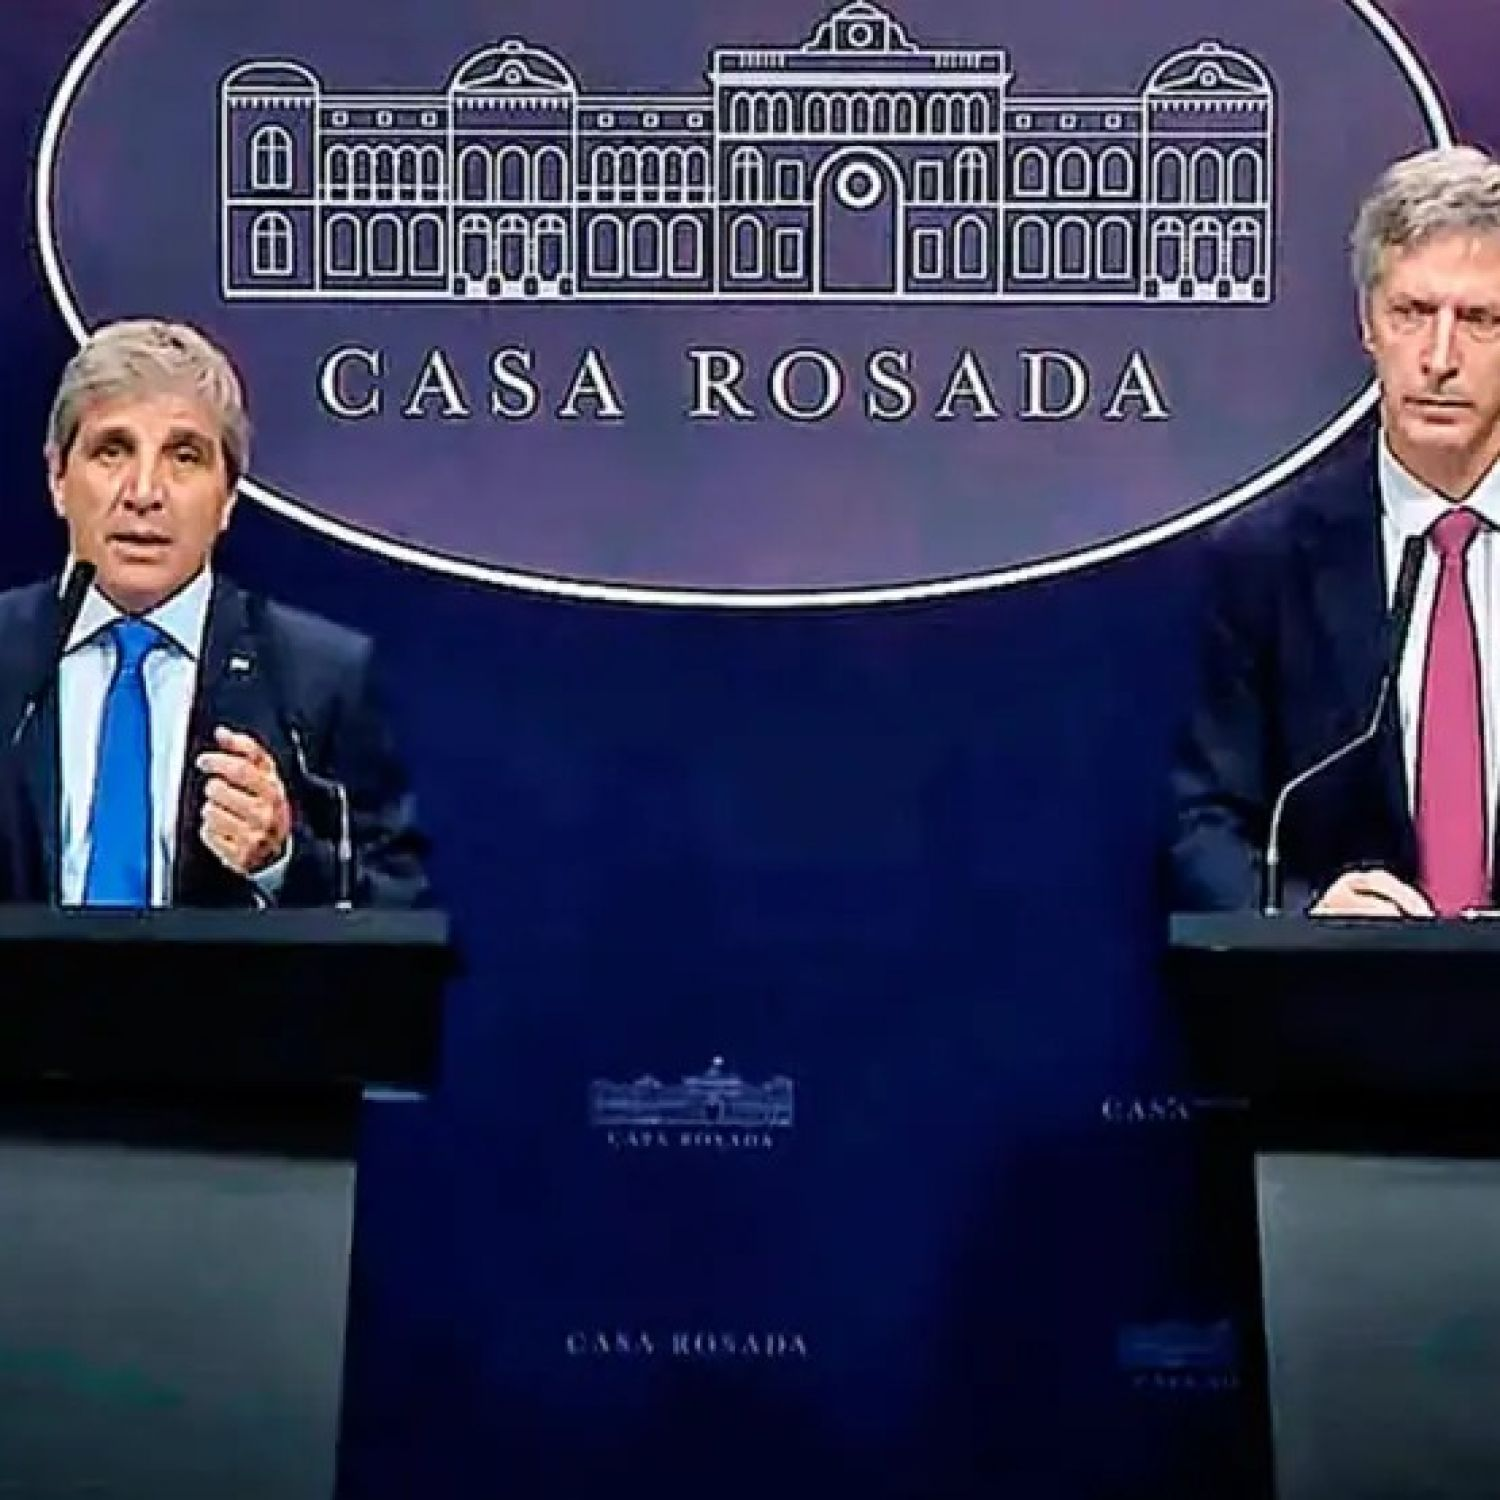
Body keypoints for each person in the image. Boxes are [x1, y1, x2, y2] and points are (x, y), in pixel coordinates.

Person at [1170, 144, 1500, 917]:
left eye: (1479, 320)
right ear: (1368, 325)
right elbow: (1203, 823)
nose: (1439, 358)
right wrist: (1308, 914)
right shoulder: (1267, 561)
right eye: (1411, 313)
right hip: (1344, 989)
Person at [0, 318, 429, 908]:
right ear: (57, 478)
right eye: (112, 451)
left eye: (184, 456)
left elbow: (399, 908)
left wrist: (282, 861)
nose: (143, 493)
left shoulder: (316, 679)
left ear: (227, 497)